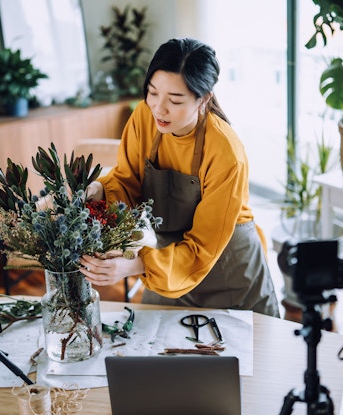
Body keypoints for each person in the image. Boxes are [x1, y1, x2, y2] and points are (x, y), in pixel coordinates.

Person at [81, 38, 280, 317]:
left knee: (247, 357)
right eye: (152, 93)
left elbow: (202, 248)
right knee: (146, 344)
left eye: (175, 100)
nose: (159, 109)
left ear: (204, 98)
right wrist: (96, 191)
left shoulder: (226, 152)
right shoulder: (143, 117)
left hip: (228, 268)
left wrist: (137, 264)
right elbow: (127, 180)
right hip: (170, 262)